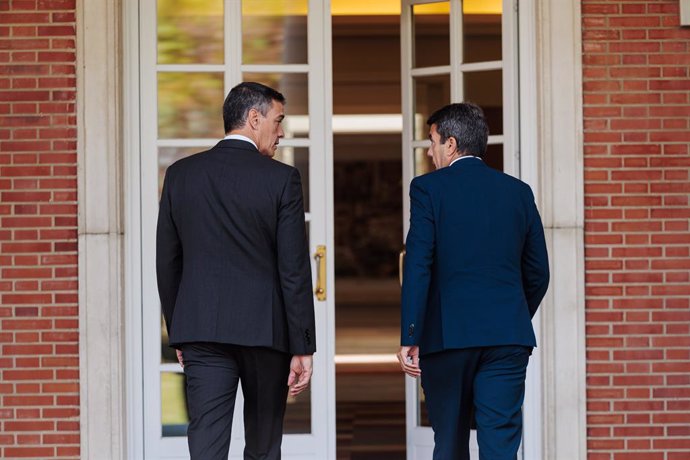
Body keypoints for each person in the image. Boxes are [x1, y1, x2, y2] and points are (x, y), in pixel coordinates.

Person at [156, 82, 316, 460]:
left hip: (202, 331)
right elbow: (293, 269)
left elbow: (167, 260)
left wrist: (180, 331)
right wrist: (303, 345)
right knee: (263, 446)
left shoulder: (181, 175)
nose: (281, 132)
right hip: (266, 333)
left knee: (207, 445)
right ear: (254, 118)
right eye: (278, 121)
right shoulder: (281, 179)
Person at [397, 103, 549, 460]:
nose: (430, 151)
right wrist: (510, 315)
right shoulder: (518, 191)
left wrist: (411, 333)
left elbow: (419, 264)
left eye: (432, 142)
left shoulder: (427, 189)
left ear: (450, 144)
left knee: (449, 443)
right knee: (500, 445)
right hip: (506, 337)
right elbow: (538, 270)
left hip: (448, 337)